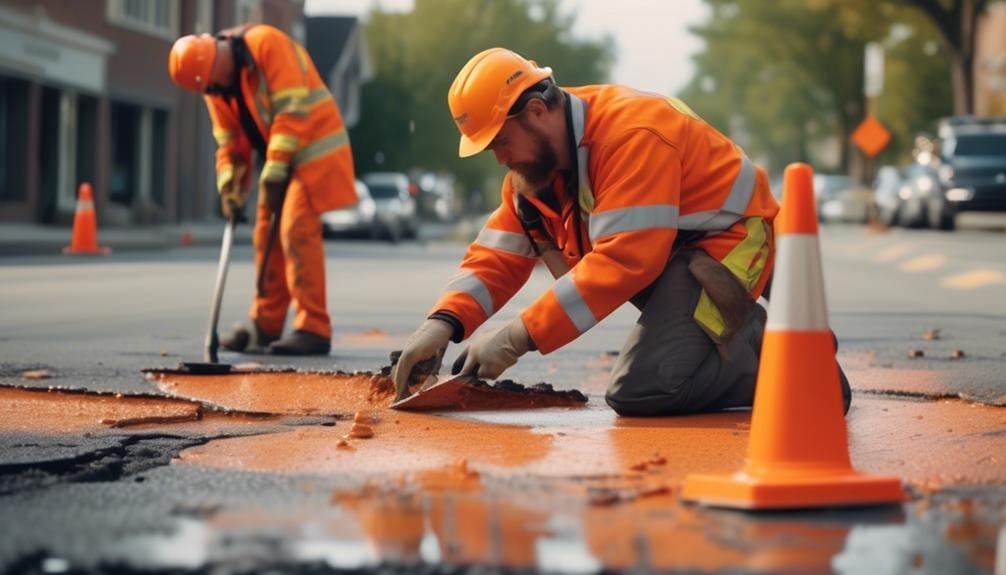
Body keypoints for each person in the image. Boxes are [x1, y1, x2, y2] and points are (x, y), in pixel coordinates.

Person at [392, 47, 852, 415]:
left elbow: (628, 258)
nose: (499, 159)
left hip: (733, 242)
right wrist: (443, 323)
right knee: (654, 374)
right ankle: (741, 344)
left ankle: (800, 370)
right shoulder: (537, 171)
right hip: (682, 253)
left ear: (536, 111)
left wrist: (517, 337)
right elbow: (498, 254)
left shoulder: (632, 133)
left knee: (646, 390)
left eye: (500, 142)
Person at [168, 24, 356, 355]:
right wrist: (230, 187)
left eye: (213, 83)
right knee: (264, 235)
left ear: (216, 57)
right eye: (208, 89)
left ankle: (314, 328)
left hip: (314, 150)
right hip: (280, 158)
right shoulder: (216, 88)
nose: (213, 91)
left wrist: (274, 170)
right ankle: (265, 325)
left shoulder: (266, 44)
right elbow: (229, 143)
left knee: (296, 230)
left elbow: (292, 110)